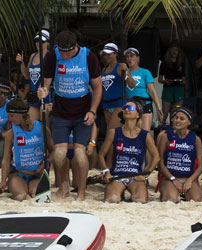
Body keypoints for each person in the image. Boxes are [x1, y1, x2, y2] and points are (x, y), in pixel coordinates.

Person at [37, 29, 102, 201]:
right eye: (62, 52)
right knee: (59, 154)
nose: (64, 56)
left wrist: (93, 111)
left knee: (80, 153)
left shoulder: (89, 57)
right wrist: (42, 92)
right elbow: (45, 83)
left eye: (68, 52)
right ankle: (64, 184)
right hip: (61, 110)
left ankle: (81, 192)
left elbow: (98, 87)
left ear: (76, 47)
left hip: (83, 111)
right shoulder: (52, 56)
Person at [97, 100, 159, 204]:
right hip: (117, 175)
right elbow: (101, 155)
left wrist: (145, 175)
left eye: (130, 108)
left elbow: (156, 157)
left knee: (140, 200)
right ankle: (119, 192)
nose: (126, 109)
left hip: (136, 176)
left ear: (138, 114)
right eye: (125, 107)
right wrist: (106, 172)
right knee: (112, 200)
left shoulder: (145, 135)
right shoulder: (113, 132)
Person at [0, 96, 46, 201]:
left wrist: (45, 163)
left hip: (36, 175)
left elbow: (52, 152)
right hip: (18, 174)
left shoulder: (41, 128)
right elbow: (5, 159)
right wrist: (3, 181)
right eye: (8, 116)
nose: (9, 120)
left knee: (36, 195)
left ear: (21, 114)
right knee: (21, 196)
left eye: (11, 116)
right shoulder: (11, 133)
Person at [156, 106, 202, 202]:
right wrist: (173, 179)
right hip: (169, 178)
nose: (177, 120)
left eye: (182, 119)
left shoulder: (196, 139)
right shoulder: (166, 136)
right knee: (171, 199)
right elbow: (160, 163)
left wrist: (190, 180)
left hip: (187, 178)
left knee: (198, 200)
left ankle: (186, 192)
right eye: (176, 118)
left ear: (189, 122)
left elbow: (201, 166)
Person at [121, 47, 163, 130]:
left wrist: (158, 108)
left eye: (132, 56)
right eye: (127, 56)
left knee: (144, 133)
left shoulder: (145, 72)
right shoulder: (124, 72)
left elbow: (152, 91)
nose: (129, 58)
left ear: (137, 58)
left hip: (144, 103)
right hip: (130, 104)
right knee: (130, 131)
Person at [17, 29, 53, 123]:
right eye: (37, 41)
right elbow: (27, 76)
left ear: (48, 43)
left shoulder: (50, 56)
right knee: (28, 122)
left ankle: (48, 137)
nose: (38, 44)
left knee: (43, 121)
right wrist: (21, 62)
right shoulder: (33, 55)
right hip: (34, 96)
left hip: (45, 96)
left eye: (42, 41)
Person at [100, 43, 127, 132]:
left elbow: (132, 84)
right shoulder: (103, 69)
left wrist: (125, 72)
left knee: (111, 132)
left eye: (109, 54)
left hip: (118, 104)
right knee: (111, 132)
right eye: (104, 54)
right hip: (106, 105)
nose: (106, 56)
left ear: (115, 54)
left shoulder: (120, 66)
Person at [159, 44, 187, 124]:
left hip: (178, 88)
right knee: (165, 112)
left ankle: (176, 128)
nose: (174, 52)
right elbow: (160, 79)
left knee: (177, 111)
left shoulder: (181, 63)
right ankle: (163, 127)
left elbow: (184, 80)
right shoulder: (164, 63)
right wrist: (165, 81)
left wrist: (182, 81)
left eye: (176, 50)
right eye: (173, 49)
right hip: (168, 88)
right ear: (169, 51)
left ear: (178, 52)